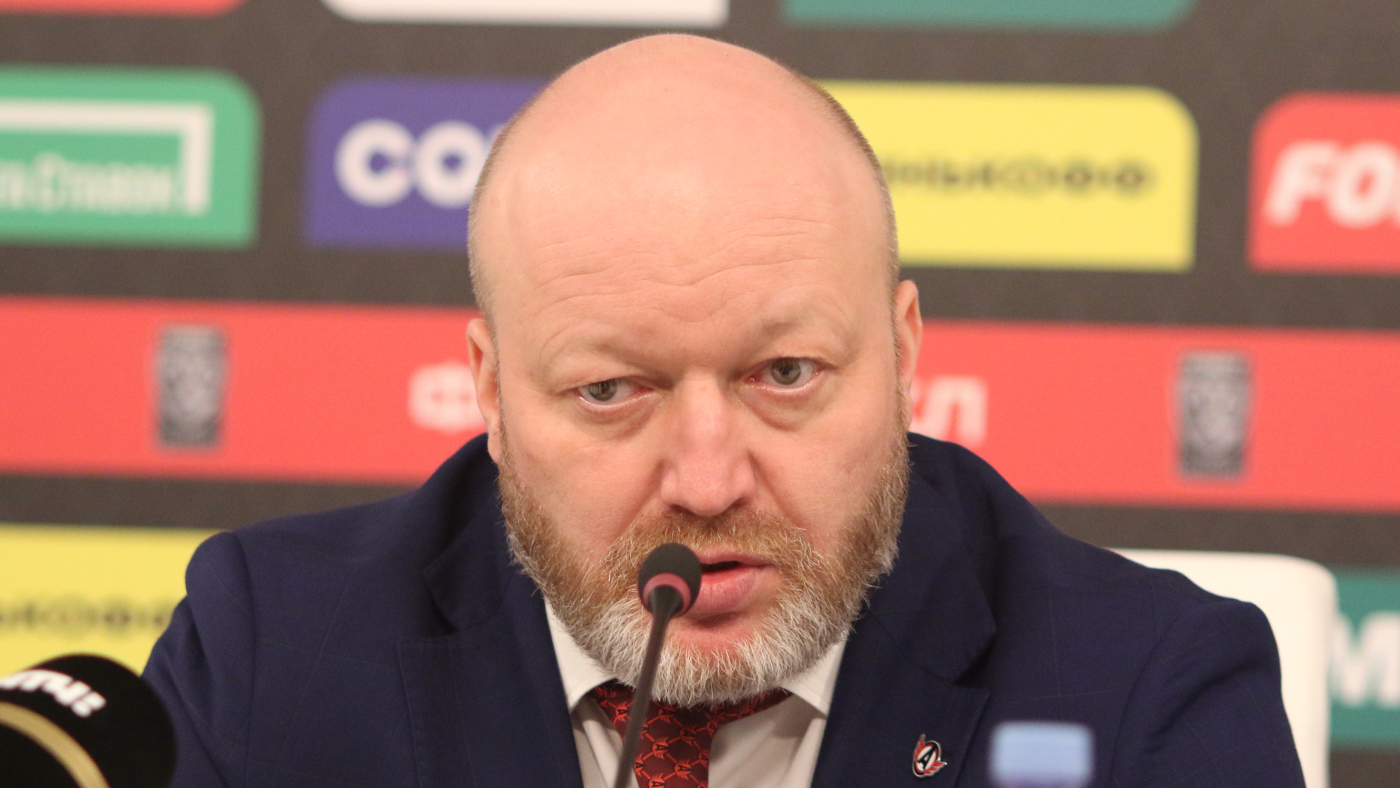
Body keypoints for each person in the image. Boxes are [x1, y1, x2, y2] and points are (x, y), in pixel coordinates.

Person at [144, 34, 1304, 788]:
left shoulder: (1141, 691)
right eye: (610, 391)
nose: (706, 483)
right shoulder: (270, 653)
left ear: (902, 355)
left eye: (783, 373)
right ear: (489, 391)